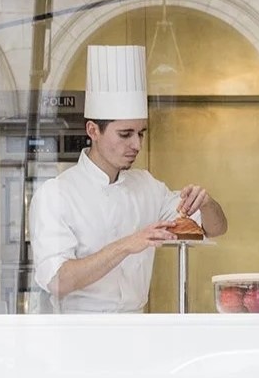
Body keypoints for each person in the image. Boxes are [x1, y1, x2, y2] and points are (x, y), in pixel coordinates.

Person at [28, 46, 228, 313]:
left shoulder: (147, 187)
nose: (136, 144)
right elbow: (58, 281)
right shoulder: (56, 194)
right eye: (125, 134)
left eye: (141, 133)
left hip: (137, 326)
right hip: (79, 329)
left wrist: (206, 202)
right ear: (93, 130)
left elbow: (216, 228)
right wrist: (126, 245)